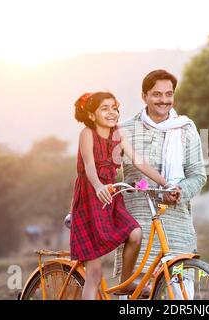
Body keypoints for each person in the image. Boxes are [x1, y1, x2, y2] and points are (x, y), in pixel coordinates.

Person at [113, 70, 207, 288]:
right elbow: (106, 169)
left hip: (176, 227)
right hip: (138, 230)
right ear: (144, 96)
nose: (164, 100)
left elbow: (198, 174)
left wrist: (179, 191)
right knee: (135, 297)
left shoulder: (185, 128)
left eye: (169, 94)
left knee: (181, 295)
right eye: (156, 94)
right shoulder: (124, 130)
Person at [69, 91, 168, 299]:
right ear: (92, 115)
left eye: (114, 108)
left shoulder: (119, 134)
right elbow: (89, 166)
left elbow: (139, 161)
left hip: (111, 196)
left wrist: (165, 184)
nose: (111, 112)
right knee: (94, 275)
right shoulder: (87, 133)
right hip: (90, 198)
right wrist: (98, 186)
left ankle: (125, 282)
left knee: (135, 233)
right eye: (104, 108)